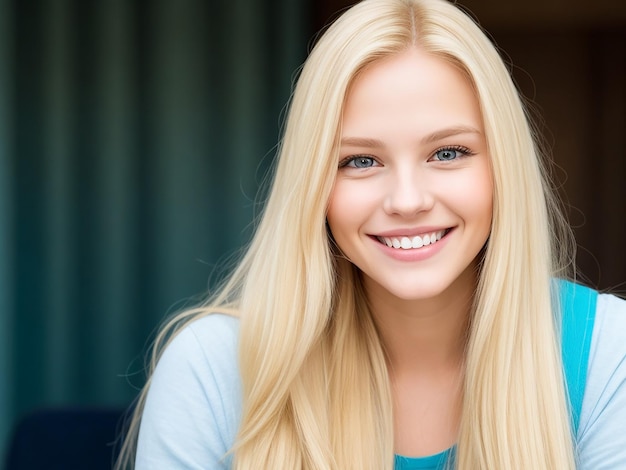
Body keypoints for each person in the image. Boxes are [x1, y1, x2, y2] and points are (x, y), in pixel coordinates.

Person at [115, 0, 626, 468]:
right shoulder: (213, 369)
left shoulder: (607, 350)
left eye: (447, 153)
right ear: (315, 185)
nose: (407, 200)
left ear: (504, 167)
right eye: (360, 160)